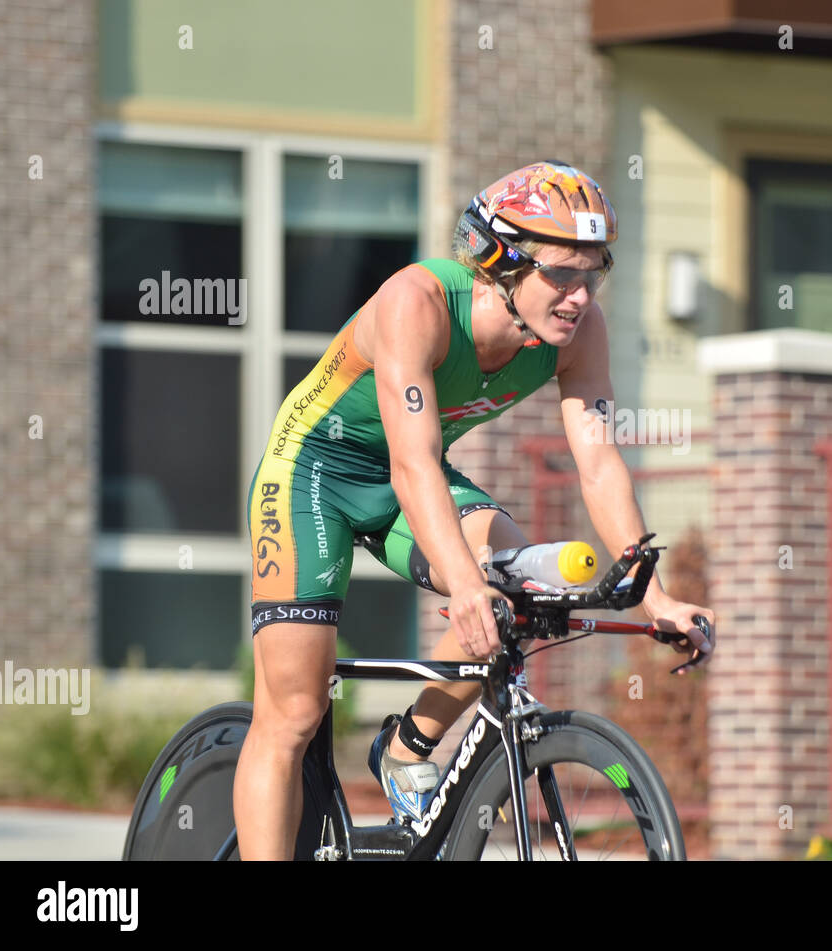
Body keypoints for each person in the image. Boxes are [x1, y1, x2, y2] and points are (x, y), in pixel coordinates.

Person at [233, 160, 716, 860]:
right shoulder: (417, 302)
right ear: (499, 263)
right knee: (295, 710)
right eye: (561, 273)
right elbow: (412, 463)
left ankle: (408, 745)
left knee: (517, 577)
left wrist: (655, 596)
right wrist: (462, 585)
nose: (579, 296)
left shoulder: (579, 332)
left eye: (593, 273)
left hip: (413, 473)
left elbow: (600, 461)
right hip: (315, 474)